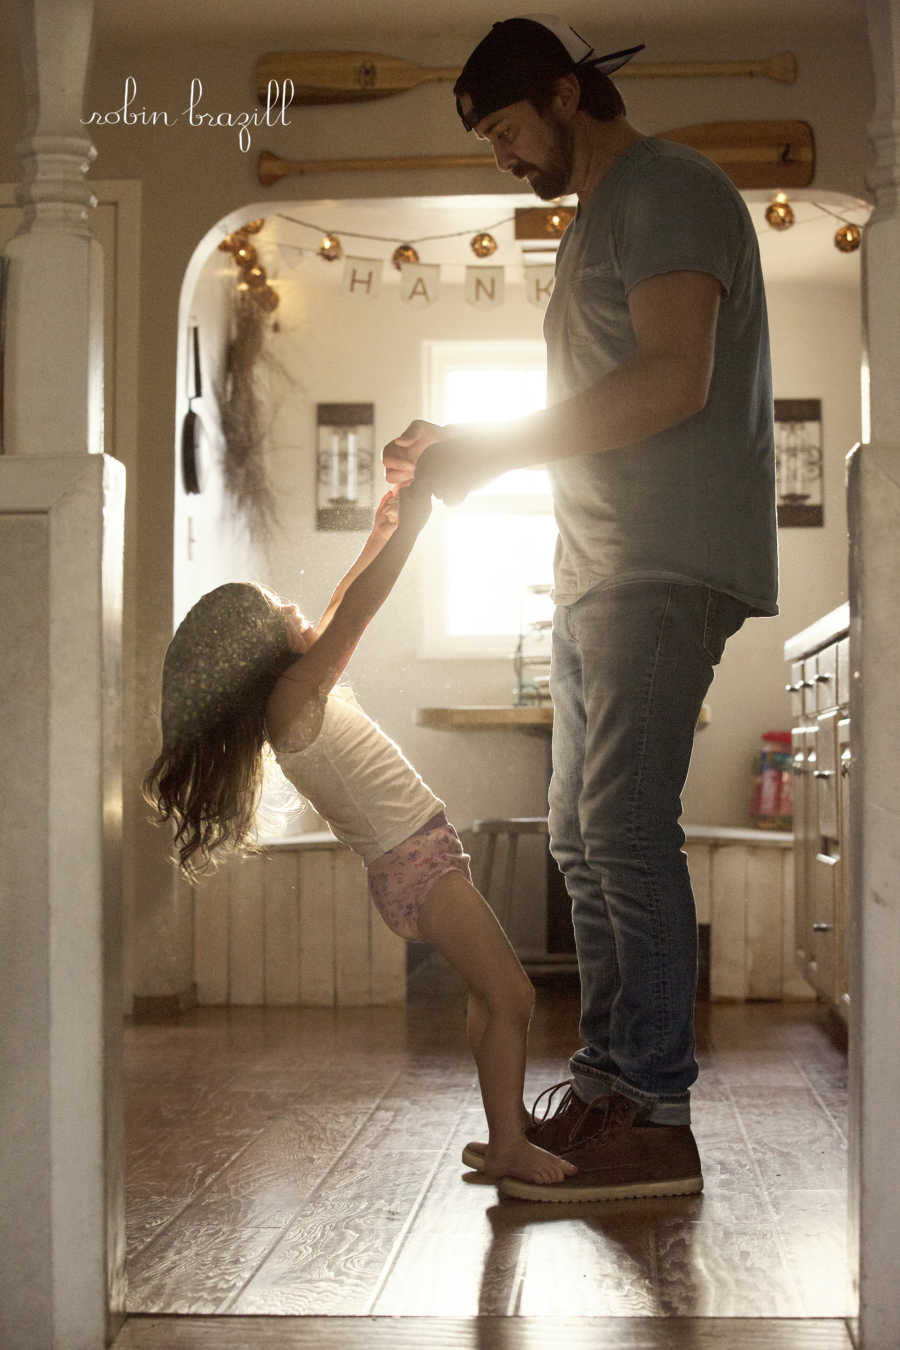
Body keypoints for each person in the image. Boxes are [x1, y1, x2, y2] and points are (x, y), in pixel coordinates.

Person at [383, 15, 778, 1202]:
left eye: (508, 127)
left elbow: (672, 377)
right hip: (602, 569)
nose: (504, 153)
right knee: (581, 842)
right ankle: (611, 1085)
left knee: (621, 834)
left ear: (565, 93)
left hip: (661, 567)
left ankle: (654, 1114)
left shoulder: (665, 187)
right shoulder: (597, 224)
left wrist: (485, 449)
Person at [143, 482, 577, 1187]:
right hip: (418, 865)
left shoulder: (291, 696)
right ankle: (508, 1145)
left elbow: (338, 608)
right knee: (515, 998)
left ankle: (507, 1128)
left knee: (489, 995)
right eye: (283, 612)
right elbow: (357, 617)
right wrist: (412, 532)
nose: (298, 612)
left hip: (420, 860)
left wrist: (382, 532)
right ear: (265, 651)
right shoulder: (292, 698)